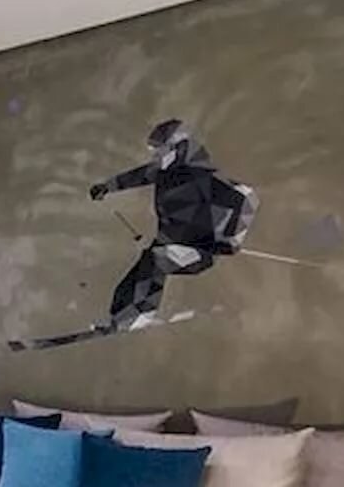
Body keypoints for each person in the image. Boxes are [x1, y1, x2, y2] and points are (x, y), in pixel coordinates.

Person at [89, 119, 257, 330]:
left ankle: (141, 315)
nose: (155, 156)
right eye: (153, 151)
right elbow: (137, 176)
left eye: (159, 151)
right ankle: (117, 318)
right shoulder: (163, 171)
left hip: (199, 251)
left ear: (177, 147)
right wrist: (107, 186)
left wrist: (232, 239)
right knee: (135, 277)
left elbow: (247, 197)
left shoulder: (202, 175)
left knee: (157, 260)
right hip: (171, 244)